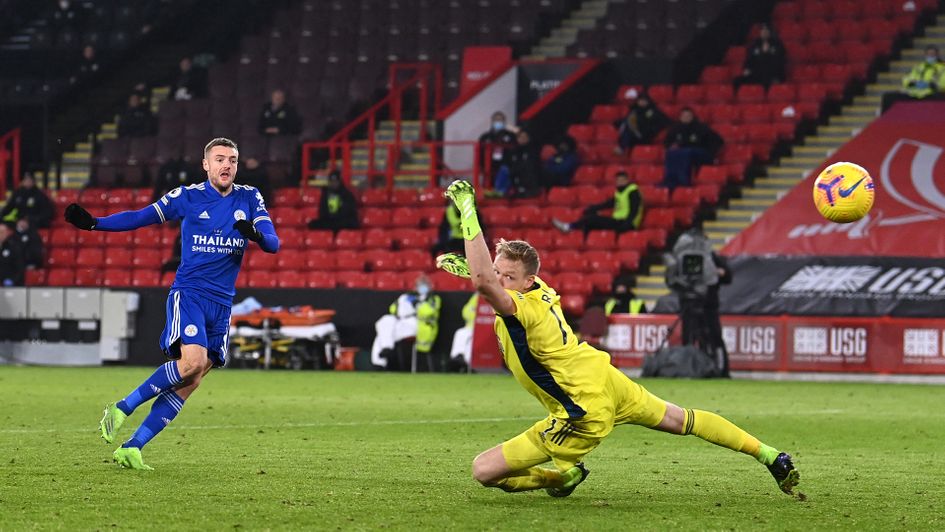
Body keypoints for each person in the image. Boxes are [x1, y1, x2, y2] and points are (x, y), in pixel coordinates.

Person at [434, 179, 800, 497]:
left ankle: (563, 477)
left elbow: (486, 285)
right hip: (603, 375)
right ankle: (769, 455)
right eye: (497, 272)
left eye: (507, 277)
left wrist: (467, 208)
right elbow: (489, 280)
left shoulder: (520, 307)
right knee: (680, 419)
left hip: (581, 408)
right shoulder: (539, 287)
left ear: (528, 282)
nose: (499, 281)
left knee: (483, 471)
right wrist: (475, 271)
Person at [64, 137, 279, 470]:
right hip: (190, 293)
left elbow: (274, 244)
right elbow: (141, 217)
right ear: (206, 164)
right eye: (220, 159)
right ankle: (123, 406)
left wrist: (256, 234)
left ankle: (133, 447)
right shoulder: (188, 196)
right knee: (191, 362)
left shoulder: (250, 197)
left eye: (233, 160)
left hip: (222, 305)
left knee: (191, 381)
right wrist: (96, 224)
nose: (227, 165)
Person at [664, 228, 732, 378]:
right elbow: (672, 279)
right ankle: (689, 369)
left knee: (714, 337)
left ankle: (721, 370)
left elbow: (728, 276)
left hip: (708, 305)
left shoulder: (710, 257)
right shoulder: (680, 258)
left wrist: (721, 273)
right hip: (689, 304)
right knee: (689, 337)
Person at [552, 170, 642, 235]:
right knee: (590, 220)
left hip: (625, 223)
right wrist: (593, 208)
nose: (619, 182)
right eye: (618, 180)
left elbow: (634, 209)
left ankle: (569, 227)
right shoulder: (619, 192)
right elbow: (608, 204)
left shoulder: (633, 191)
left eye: (622, 180)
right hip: (617, 221)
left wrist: (627, 224)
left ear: (627, 180)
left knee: (591, 219)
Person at [387, 275, 442, 372]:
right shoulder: (408, 296)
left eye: (425, 285)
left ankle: (403, 367)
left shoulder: (433, 298)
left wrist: (416, 304)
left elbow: (428, 311)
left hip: (423, 327)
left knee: (404, 333)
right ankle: (383, 356)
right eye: (420, 285)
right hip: (402, 322)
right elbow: (392, 309)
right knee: (385, 322)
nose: (422, 287)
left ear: (430, 286)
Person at [663, 107, 723, 191]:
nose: (686, 118)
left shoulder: (701, 128)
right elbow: (667, 142)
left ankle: (684, 182)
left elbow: (718, 141)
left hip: (701, 153)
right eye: (684, 116)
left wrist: (712, 154)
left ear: (692, 116)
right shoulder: (675, 128)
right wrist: (671, 145)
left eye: (688, 116)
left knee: (686, 152)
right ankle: (670, 181)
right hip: (682, 153)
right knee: (670, 153)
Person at [880, 45, 945, 113]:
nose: (930, 56)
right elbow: (907, 78)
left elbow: (942, 83)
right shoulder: (919, 67)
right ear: (925, 55)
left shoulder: (942, 68)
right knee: (888, 97)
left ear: (937, 55)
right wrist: (913, 83)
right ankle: (885, 120)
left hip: (930, 94)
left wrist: (931, 85)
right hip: (914, 93)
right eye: (928, 54)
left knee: (940, 97)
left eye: (932, 54)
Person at [492, 129, 541, 198]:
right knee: (504, 169)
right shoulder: (513, 151)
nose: (522, 139)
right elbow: (507, 163)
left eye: (525, 137)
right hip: (513, 176)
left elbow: (530, 166)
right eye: (521, 137)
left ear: (528, 138)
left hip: (526, 178)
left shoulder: (533, 151)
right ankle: (499, 191)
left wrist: (514, 170)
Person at [737, 24, 786, 88]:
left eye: (766, 31)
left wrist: (766, 53)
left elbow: (779, 62)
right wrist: (747, 68)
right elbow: (749, 59)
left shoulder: (777, 44)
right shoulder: (755, 44)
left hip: (771, 75)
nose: (764, 32)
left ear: (770, 32)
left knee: (766, 81)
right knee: (738, 81)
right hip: (756, 73)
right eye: (762, 30)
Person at [478, 111, 517, 185]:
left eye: (500, 120)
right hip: (489, 168)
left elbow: (515, 151)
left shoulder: (511, 136)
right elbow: (480, 153)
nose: (498, 122)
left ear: (504, 121)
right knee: (488, 189)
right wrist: (481, 166)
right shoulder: (485, 137)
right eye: (496, 120)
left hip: (506, 168)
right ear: (492, 121)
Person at [0, 222, 25, 286]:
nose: (0, 234)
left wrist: (12, 280)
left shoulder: (14, 248)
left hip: (10, 284)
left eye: (2, 232)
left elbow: (19, 269)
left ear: (7, 233)